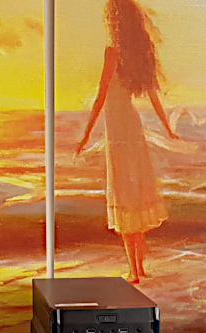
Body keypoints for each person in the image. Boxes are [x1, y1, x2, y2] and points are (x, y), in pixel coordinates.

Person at [76, 0, 179, 284]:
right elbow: (154, 97)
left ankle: (134, 271)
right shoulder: (137, 55)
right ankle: (140, 268)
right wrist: (167, 127)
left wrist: (87, 133)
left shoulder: (112, 53)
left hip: (118, 134)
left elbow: (101, 96)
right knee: (135, 196)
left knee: (124, 198)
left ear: (115, 21)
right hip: (133, 130)